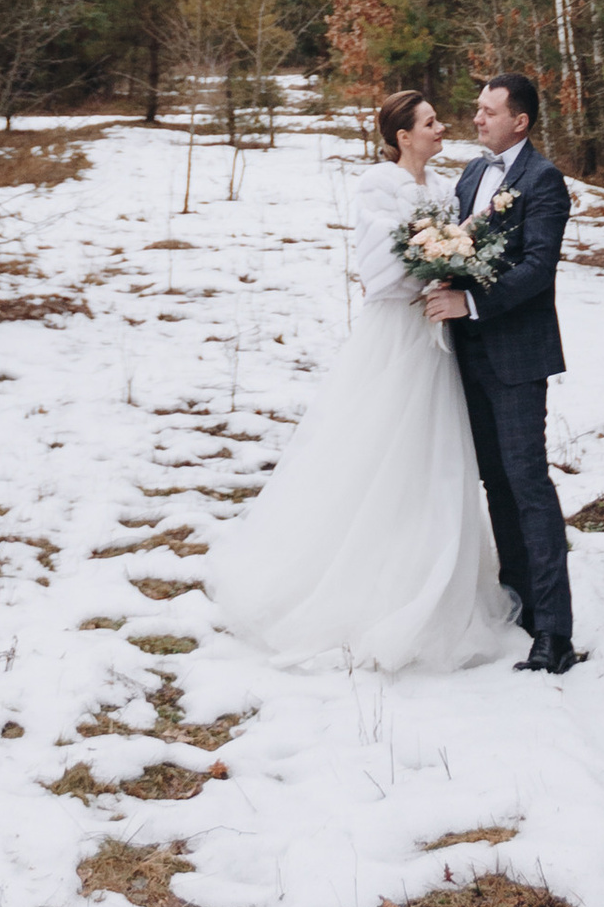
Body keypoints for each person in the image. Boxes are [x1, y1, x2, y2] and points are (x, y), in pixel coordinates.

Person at [204, 89, 519, 674]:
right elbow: (380, 270)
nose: (441, 127)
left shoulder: (443, 189)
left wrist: (456, 265)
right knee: (380, 448)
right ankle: (360, 582)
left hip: (437, 337)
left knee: (434, 456)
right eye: (430, 122)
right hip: (397, 333)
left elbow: (458, 241)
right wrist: (431, 268)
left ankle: (435, 573)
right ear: (404, 136)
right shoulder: (380, 185)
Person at [422, 72, 580, 674]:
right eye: (477, 108)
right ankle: (519, 598)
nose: (477, 118)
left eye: (490, 111)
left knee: (528, 483)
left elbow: (538, 269)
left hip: (517, 354)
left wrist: (473, 302)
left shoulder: (544, 182)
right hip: (469, 352)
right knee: (495, 480)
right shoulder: (469, 174)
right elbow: (459, 249)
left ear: (521, 122)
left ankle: (555, 632)